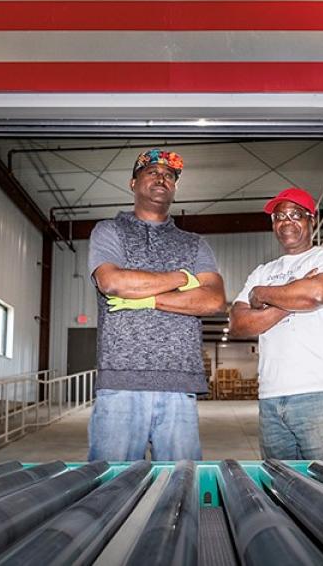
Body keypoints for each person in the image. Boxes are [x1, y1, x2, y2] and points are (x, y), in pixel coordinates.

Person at [87, 148, 227, 461]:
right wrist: (181, 277)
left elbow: (214, 300)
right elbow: (112, 282)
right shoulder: (109, 231)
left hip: (179, 383)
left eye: (169, 175)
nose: (161, 178)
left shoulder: (194, 243)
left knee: (180, 489)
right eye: (151, 172)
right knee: (112, 490)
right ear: (133, 183)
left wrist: (147, 298)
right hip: (121, 383)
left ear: (175, 187)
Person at [229, 187, 323, 460]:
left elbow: (317, 294)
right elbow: (239, 324)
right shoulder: (262, 272)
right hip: (271, 398)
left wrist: (263, 295)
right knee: (280, 487)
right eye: (279, 217)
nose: (286, 222)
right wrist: (293, 296)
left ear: (311, 219)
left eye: (296, 214)